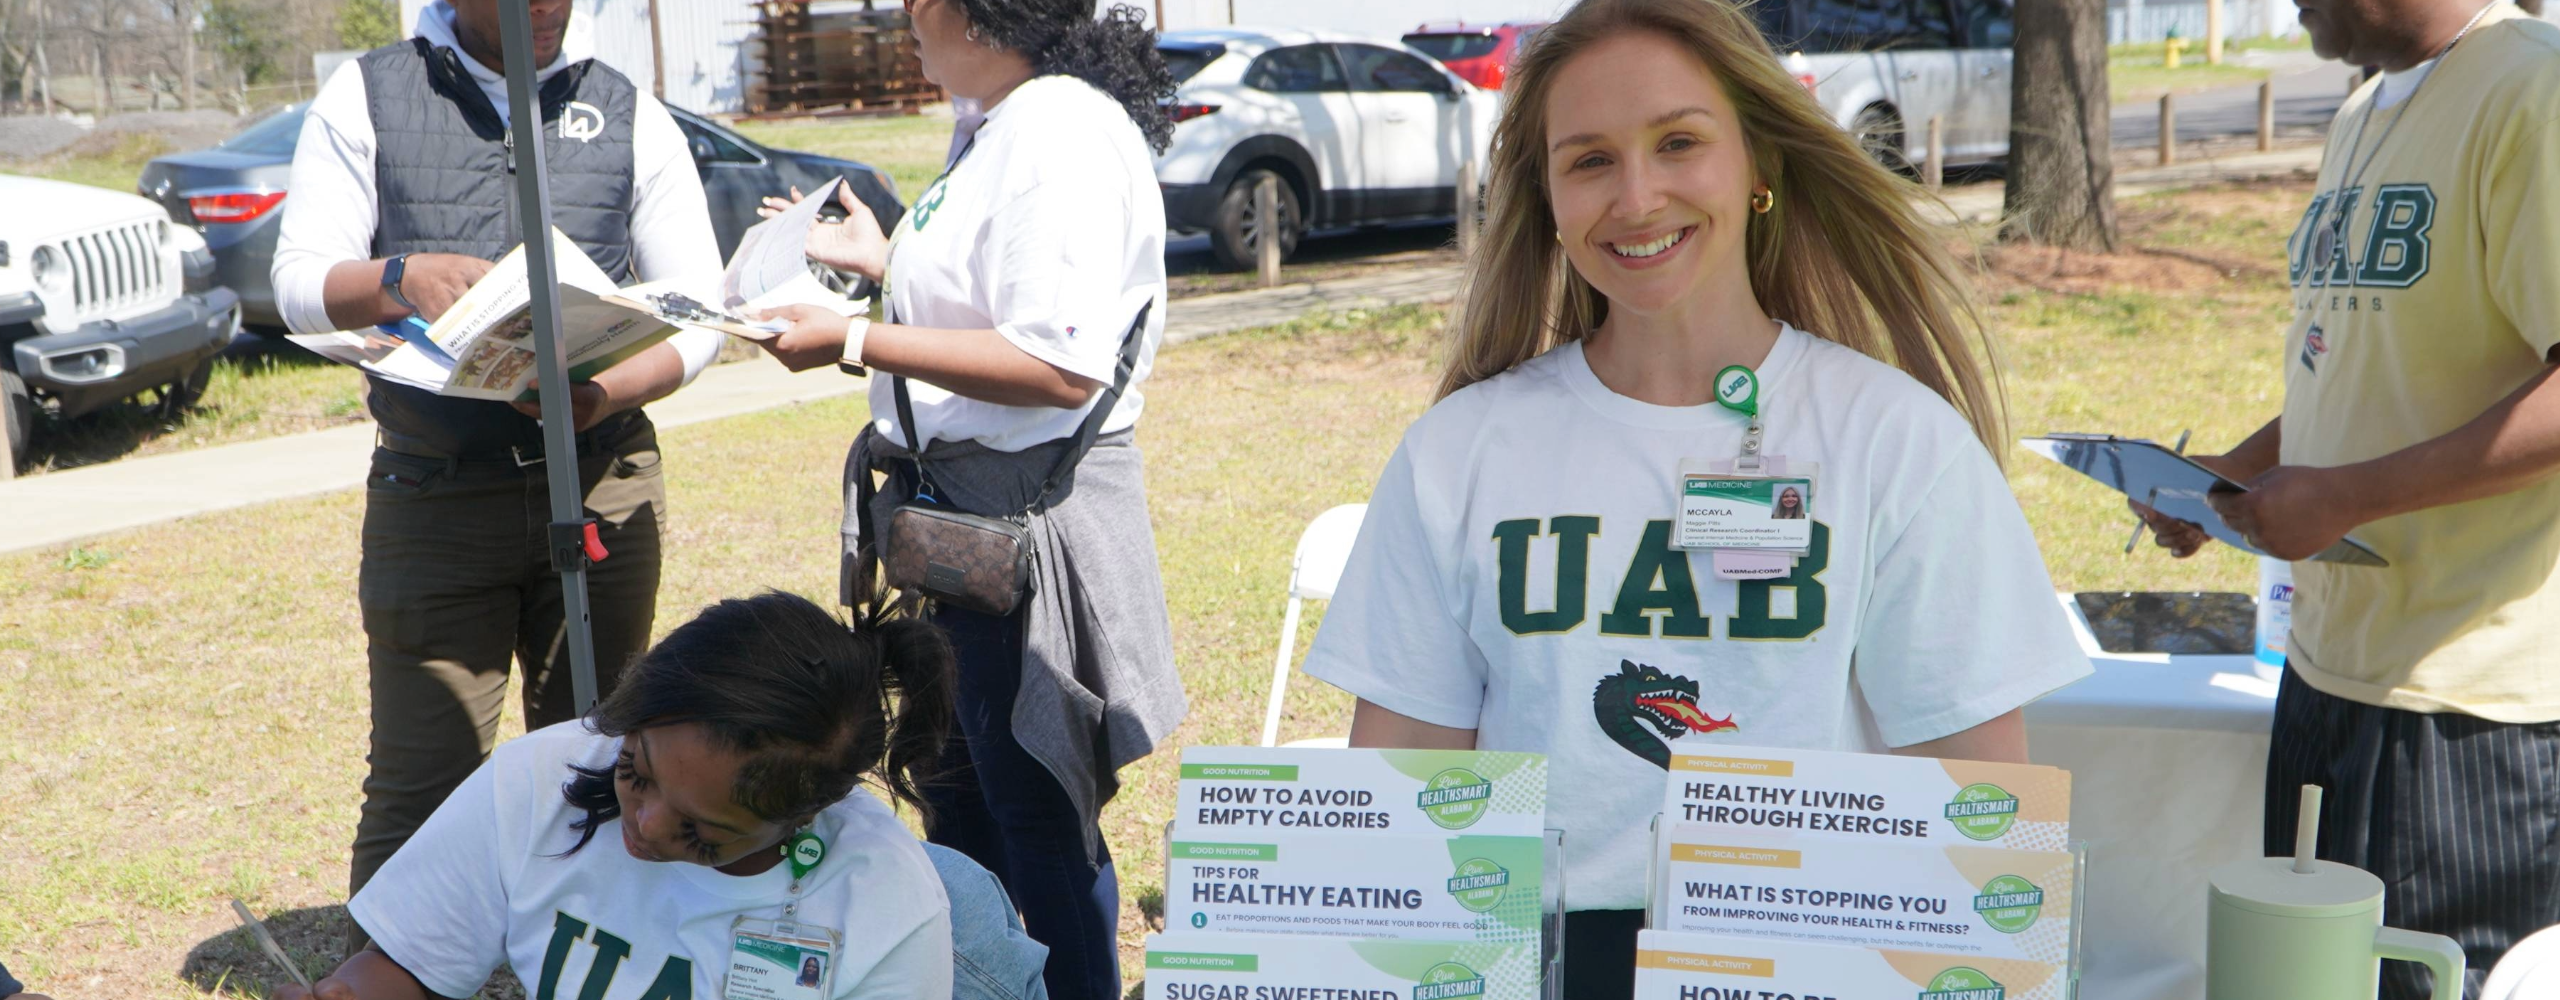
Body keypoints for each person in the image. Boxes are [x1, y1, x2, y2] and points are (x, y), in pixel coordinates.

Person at [1297, 1, 2092, 996]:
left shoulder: (1895, 442)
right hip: (1533, 965)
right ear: (1544, 197)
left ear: (1758, 164)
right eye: (1588, 160)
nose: (1636, 196)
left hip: (1817, 965)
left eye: (1678, 142)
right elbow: (1400, 802)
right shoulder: (1458, 453)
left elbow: (1981, 813)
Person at [747, 2, 1184, 998]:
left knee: (1034, 816)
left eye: (914, 7)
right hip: (962, 523)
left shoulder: (1057, 130)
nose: (905, 24)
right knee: (965, 807)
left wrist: (848, 335)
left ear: (966, 13)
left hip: (1020, 522)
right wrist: (888, 258)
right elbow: (997, 293)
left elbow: (1053, 359)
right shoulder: (1003, 117)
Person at [2131, 1, 2560, 995]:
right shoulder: (2361, 110)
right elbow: (2364, 360)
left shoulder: (2531, 87)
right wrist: (2232, 480)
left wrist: (2349, 497)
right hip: (2328, 674)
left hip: (2466, 697)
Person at [266, 0, 727, 923]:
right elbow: (296, 283)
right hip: (435, 489)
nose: (544, 10)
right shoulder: (369, 94)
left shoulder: (627, 106)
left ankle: (586, 951)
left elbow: (697, 304)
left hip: (601, 479)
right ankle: (396, 966)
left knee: (602, 756)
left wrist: (601, 391)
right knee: (423, 773)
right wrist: (401, 278)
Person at [275, 592, 957, 1000]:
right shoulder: (543, 777)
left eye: (700, 833)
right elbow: (408, 966)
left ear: (801, 818)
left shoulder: (883, 910)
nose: (646, 826)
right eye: (635, 769)